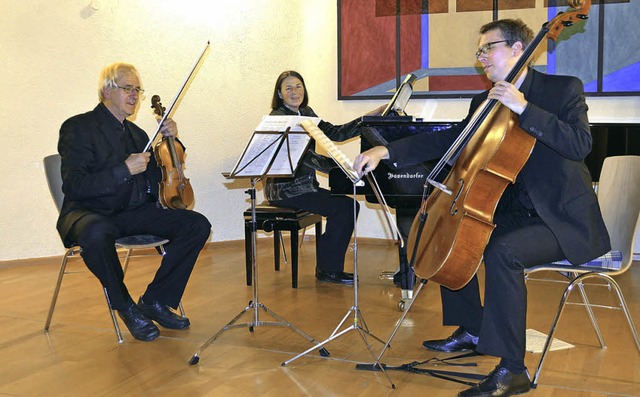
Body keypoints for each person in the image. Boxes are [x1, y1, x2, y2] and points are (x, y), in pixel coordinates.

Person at [353, 19, 610, 397]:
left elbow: (579, 145)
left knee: (502, 251)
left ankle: (512, 370)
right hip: (512, 209)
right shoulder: (484, 100)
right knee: (454, 235)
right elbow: (453, 141)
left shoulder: (561, 90)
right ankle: (471, 327)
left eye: (488, 48)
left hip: (559, 218)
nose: (482, 58)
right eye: (480, 51)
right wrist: (386, 150)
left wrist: (524, 107)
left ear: (518, 49)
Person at [57, 62, 212, 342]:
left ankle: (155, 300)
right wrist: (123, 170)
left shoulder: (138, 135)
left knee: (197, 225)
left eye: (137, 90)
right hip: (89, 212)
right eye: (128, 88)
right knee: (97, 232)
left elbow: (157, 177)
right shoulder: (78, 127)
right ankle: (125, 305)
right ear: (107, 90)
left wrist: (172, 142)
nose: (134, 95)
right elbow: (74, 185)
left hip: (130, 213)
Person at [265, 70, 383, 285]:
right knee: (344, 207)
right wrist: (343, 168)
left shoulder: (306, 113)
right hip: (285, 190)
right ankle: (328, 270)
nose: (294, 91)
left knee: (348, 206)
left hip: (305, 187)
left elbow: (335, 133)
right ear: (280, 94)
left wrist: (368, 119)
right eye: (288, 88)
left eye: (298, 86)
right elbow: (303, 158)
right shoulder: (278, 119)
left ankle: (327, 267)